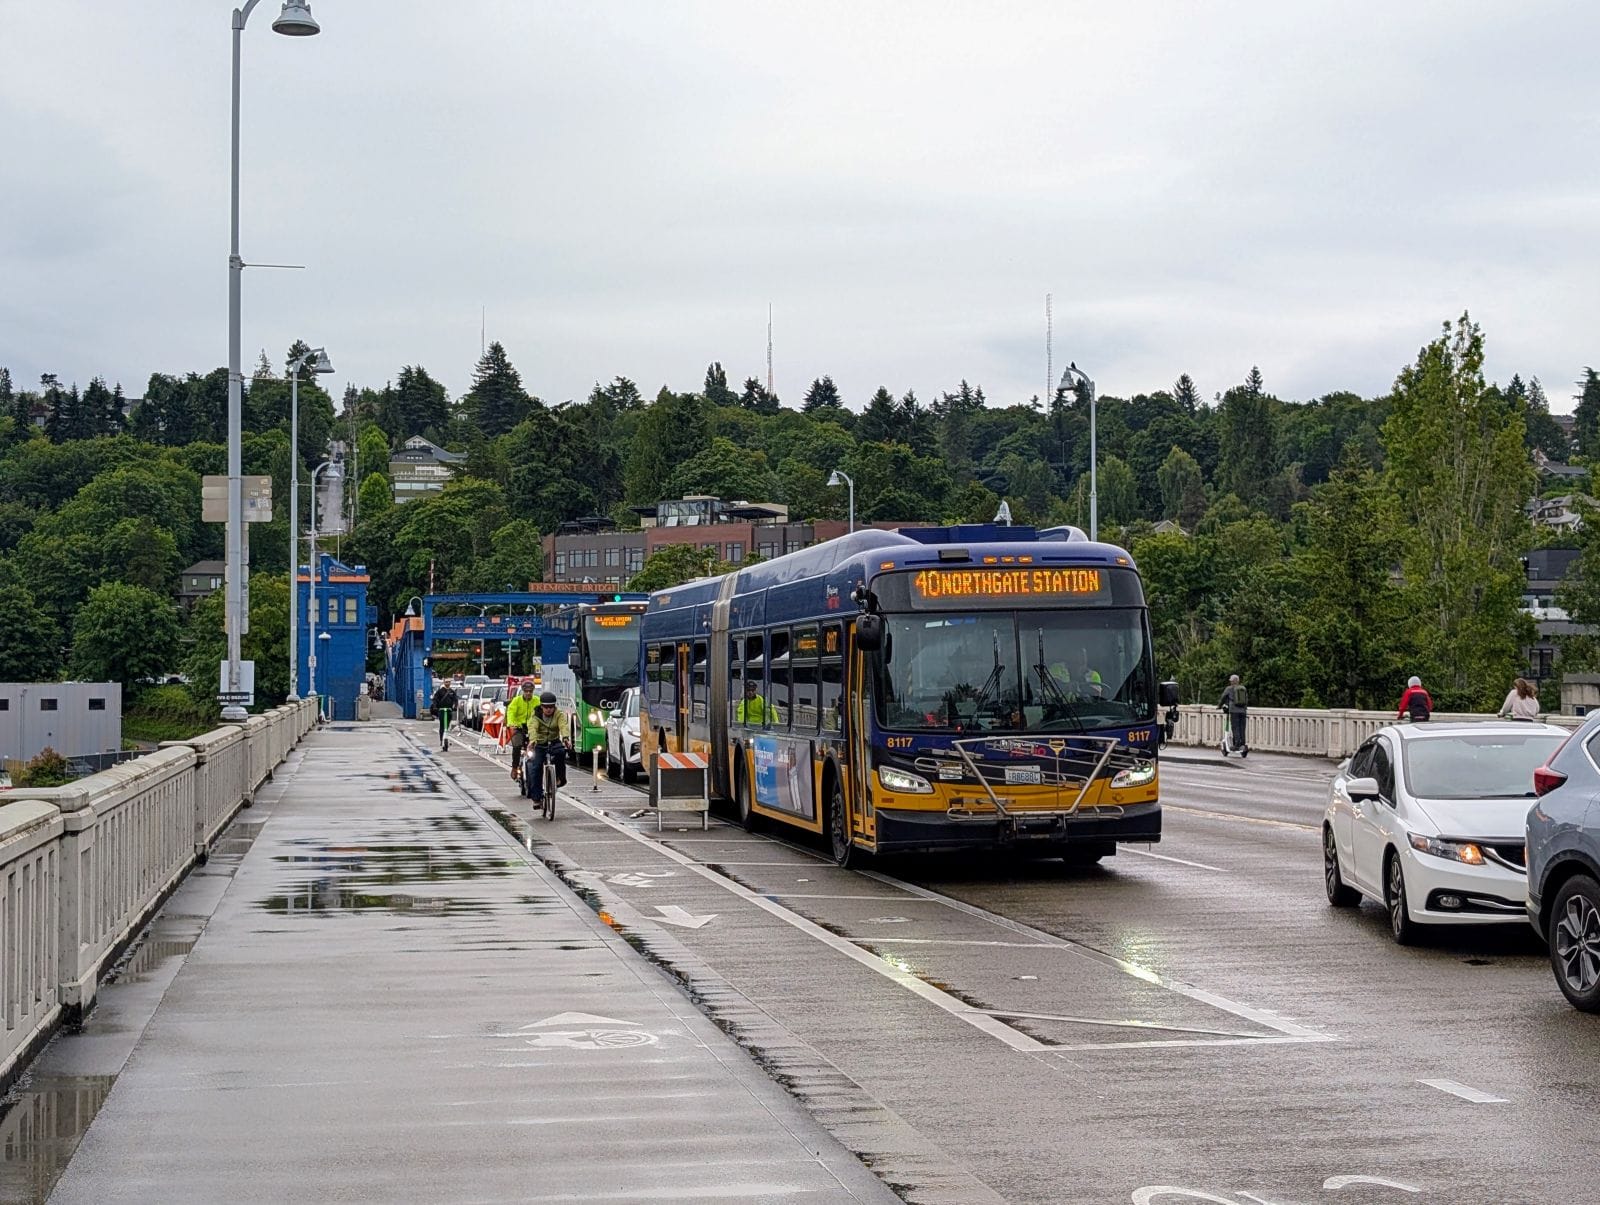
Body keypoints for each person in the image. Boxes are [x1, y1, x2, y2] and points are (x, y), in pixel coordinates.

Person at [525, 691, 569, 805]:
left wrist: (565, 738)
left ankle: (559, 778)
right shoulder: (535, 716)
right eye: (546, 707)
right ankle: (536, 798)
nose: (549, 709)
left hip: (554, 742)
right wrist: (533, 741)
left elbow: (563, 725)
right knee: (536, 767)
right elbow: (532, 728)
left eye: (551, 707)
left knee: (560, 753)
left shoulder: (559, 714)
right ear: (541, 706)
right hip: (539, 744)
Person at [504, 679, 537, 781]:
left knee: (539, 746)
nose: (528, 693)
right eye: (526, 691)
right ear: (523, 691)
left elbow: (541, 713)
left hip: (532, 728)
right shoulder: (516, 701)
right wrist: (512, 723)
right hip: (518, 727)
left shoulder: (537, 701)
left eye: (530, 691)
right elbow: (511, 712)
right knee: (517, 746)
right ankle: (514, 767)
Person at [1218, 673, 1248, 756]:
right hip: (1243, 711)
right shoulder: (1243, 688)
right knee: (1242, 728)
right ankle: (1243, 744)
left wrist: (1219, 706)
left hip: (1234, 711)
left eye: (1231, 681)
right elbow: (1246, 700)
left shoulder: (1229, 689)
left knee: (1235, 727)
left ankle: (1237, 745)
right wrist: (1244, 709)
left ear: (1232, 682)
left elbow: (1223, 697)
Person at [430, 679, 458, 750]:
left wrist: (455, 706)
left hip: (449, 711)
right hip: (442, 711)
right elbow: (435, 699)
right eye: (446, 682)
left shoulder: (452, 692)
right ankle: (441, 740)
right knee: (442, 725)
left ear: (450, 683)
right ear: (444, 682)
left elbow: (455, 700)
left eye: (448, 682)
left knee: (447, 726)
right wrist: (435, 707)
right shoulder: (440, 691)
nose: (447, 683)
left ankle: (446, 738)